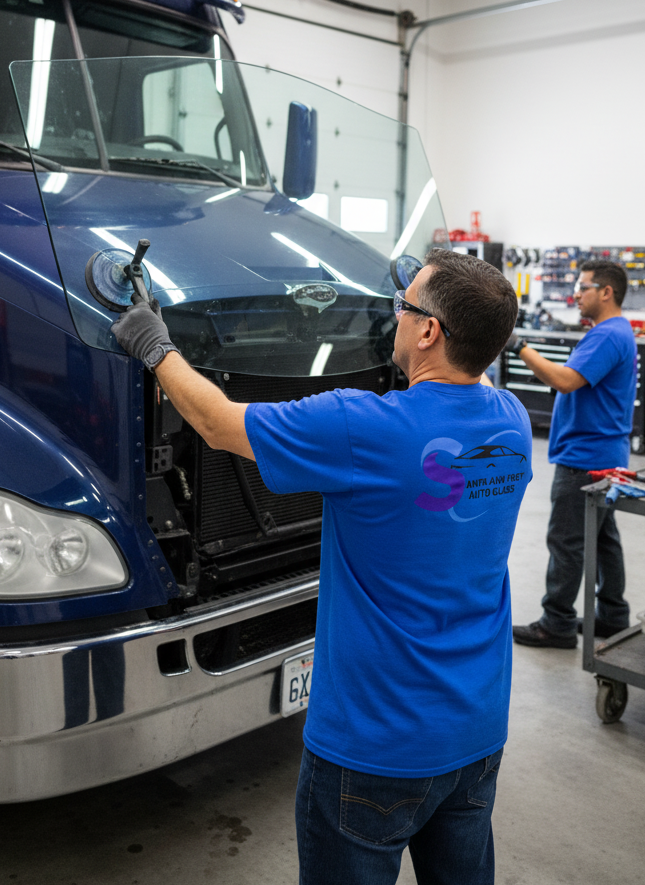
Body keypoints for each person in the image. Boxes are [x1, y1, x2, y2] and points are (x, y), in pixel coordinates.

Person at [112, 250, 531, 885]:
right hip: (475, 734)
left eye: (405, 307)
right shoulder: (513, 424)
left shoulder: (361, 428)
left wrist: (154, 343)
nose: (395, 316)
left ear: (428, 332)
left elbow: (217, 424)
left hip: (373, 749)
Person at [511, 260, 637, 650]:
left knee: (566, 541)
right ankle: (612, 616)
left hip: (585, 458)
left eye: (583, 288)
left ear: (606, 292)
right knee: (603, 540)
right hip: (606, 454)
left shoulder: (607, 335)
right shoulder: (615, 331)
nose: (576, 295)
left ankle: (558, 622)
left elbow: (567, 381)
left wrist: (520, 346)